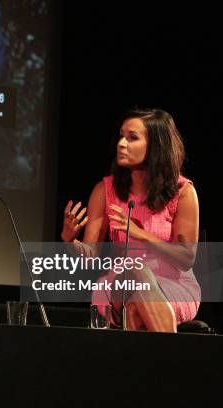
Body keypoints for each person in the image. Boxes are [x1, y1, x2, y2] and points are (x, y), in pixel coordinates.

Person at [61, 109, 201, 332]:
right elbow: (90, 258)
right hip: (118, 285)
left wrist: (140, 234)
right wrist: (70, 241)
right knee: (136, 272)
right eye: (121, 136)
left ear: (156, 146)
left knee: (136, 302)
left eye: (132, 137)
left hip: (172, 286)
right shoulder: (105, 190)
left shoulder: (182, 192)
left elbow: (186, 258)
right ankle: (175, 358)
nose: (121, 143)